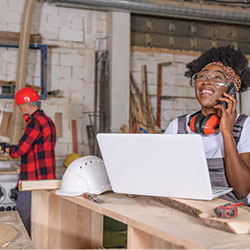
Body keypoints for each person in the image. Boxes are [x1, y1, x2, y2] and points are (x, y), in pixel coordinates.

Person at [165, 45, 250, 205]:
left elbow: (241, 190)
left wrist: (227, 132)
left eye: (217, 78)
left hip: (233, 216)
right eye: (201, 76)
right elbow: (165, 175)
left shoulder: (246, 127)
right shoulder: (177, 127)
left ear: (232, 89)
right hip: (187, 210)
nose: (206, 82)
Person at [0, 87, 56, 235]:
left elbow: (20, 150)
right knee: (41, 218)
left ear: (28, 104)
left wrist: (7, 149)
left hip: (32, 180)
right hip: (46, 180)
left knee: (22, 216)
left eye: (20, 107)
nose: (20, 111)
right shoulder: (48, 121)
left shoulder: (34, 123)